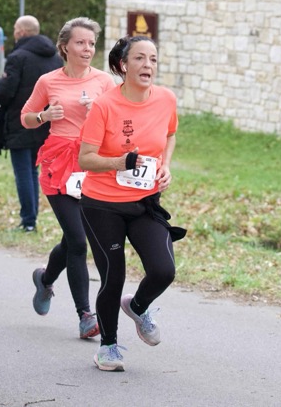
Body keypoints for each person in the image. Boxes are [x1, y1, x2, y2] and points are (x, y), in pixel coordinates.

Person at [79, 36, 180, 372]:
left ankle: (137, 307)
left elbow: (170, 135)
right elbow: (86, 158)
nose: (147, 65)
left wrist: (165, 166)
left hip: (145, 202)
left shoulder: (166, 99)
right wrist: (119, 162)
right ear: (123, 65)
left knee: (164, 270)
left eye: (153, 59)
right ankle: (107, 347)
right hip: (102, 205)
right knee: (113, 277)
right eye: (139, 58)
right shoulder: (104, 105)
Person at [20, 17, 116, 340]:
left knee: (73, 237)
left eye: (91, 44)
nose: (87, 49)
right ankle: (85, 316)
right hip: (59, 163)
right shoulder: (48, 81)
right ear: (64, 47)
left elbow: (116, 122)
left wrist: (98, 113)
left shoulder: (104, 81)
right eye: (80, 43)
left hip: (91, 164)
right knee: (77, 240)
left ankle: (45, 279)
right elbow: (26, 117)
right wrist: (44, 115)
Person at [0, 15, 61, 231]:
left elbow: (4, 93)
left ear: (21, 32)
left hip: (21, 122)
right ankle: (32, 218)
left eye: (15, 29)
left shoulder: (17, 57)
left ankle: (29, 222)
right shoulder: (56, 58)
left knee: (24, 173)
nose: (14, 33)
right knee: (33, 171)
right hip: (46, 124)